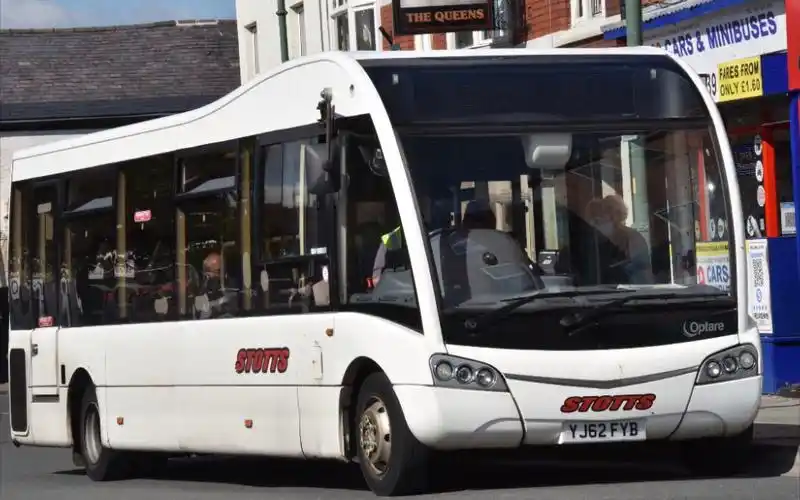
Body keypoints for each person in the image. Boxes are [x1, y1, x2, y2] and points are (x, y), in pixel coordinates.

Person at [590, 194, 653, 284]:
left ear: (613, 218)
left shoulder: (633, 238)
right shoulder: (599, 241)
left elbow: (642, 272)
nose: (595, 225)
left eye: (599, 220)